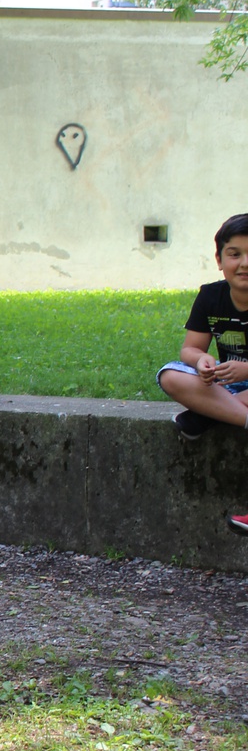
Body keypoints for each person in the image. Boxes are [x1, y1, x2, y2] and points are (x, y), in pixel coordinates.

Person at [157, 215, 248, 538]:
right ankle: (223, 413)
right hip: (228, 387)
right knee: (170, 376)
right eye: (235, 254)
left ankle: (209, 415)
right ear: (220, 260)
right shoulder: (210, 296)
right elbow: (190, 350)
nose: (244, 263)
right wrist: (202, 361)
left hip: (236, 388)